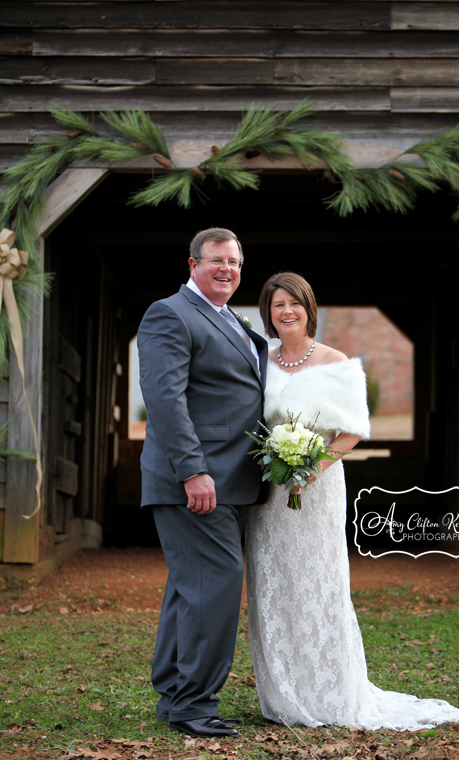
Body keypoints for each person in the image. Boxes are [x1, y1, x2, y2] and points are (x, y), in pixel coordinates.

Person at [245, 271, 459, 731]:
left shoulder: (338, 362)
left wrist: (313, 467)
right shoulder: (260, 361)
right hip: (270, 494)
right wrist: (281, 463)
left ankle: (330, 690)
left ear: (310, 308)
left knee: (320, 583)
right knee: (273, 584)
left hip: (320, 486)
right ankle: (284, 695)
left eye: (294, 303)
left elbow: (352, 430)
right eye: (276, 305)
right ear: (267, 314)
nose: (286, 311)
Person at [138, 227, 269, 739]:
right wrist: (193, 471)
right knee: (214, 587)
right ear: (191, 264)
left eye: (234, 262)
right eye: (216, 260)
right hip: (194, 480)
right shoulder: (170, 313)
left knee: (190, 587)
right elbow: (166, 400)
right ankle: (195, 703)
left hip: (230, 480)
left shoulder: (230, 319)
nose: (227, 269)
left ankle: (176, 693)